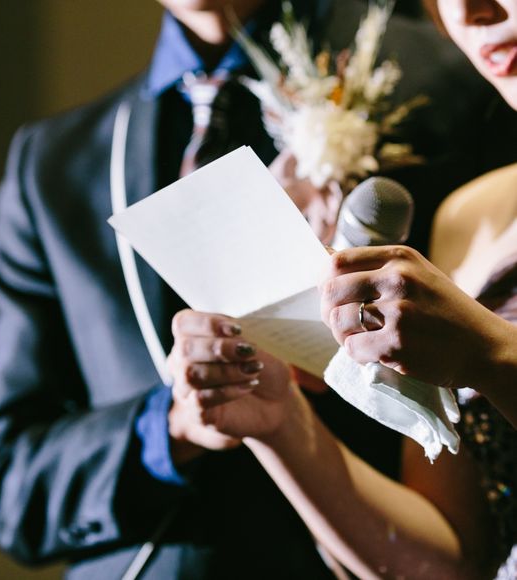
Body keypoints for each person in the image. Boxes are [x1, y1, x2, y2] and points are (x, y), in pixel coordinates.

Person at [0, 1, 517, 579]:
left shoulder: (452, 76)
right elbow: (7, 483)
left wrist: (485, 356)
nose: (471, 9)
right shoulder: (53, 163)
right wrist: (176, 425)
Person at [168, 0, 517, 577]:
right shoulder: (470, 217)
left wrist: (490, 356)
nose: (468, 11)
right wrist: (280, 423)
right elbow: (450, 563)